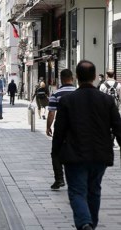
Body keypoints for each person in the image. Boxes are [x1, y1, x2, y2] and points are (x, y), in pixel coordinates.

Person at [52, 60, 121, 230]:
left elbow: (59, 131)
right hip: (100, 155)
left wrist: (56, 153)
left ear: (77, 77)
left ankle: (84, 223)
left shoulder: (67, 101)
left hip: (75, 155)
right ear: (94, 77)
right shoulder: (106, 100)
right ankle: (91, 224)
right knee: (94, 191)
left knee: (77, 192)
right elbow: (118, 127)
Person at [46, 69, 76, 190]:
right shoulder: (78, 93)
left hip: (61, 128)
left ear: (61, 79)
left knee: (56, 153)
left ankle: (59, 179)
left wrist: (48, 127)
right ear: (72, 78)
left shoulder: (56, 94)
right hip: (77, 128)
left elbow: (51, 113)